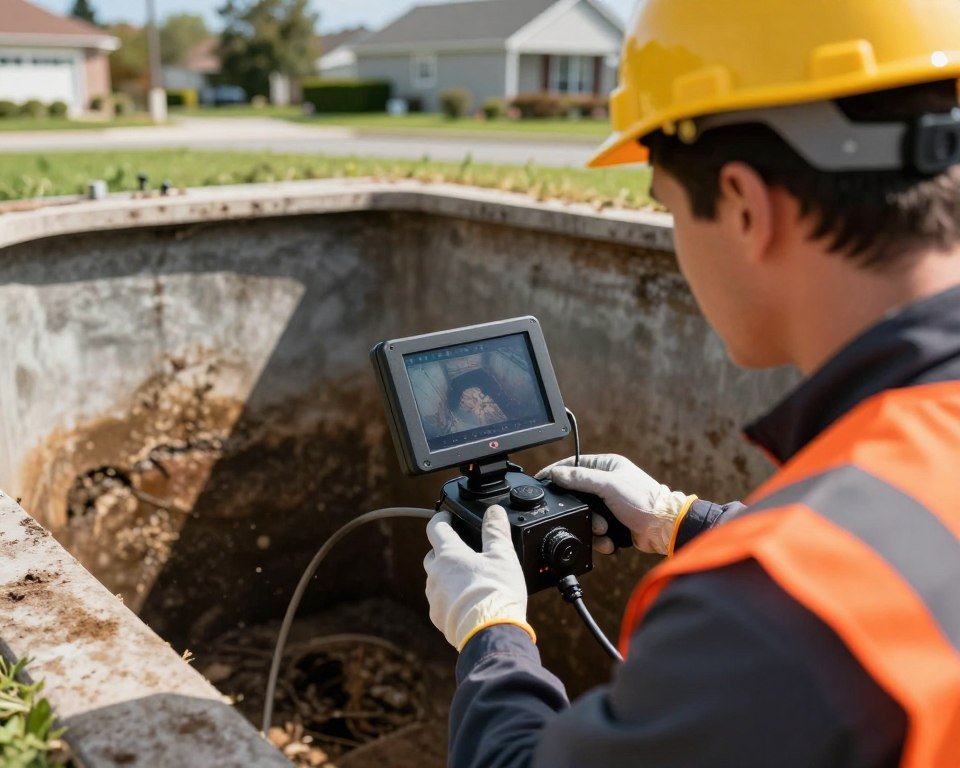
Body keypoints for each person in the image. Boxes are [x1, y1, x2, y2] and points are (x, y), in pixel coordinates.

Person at [421, 1, 960, 766]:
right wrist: (685, 521)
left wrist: (492, 633)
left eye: (668, 208)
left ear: (742, 204)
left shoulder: (758, 617)